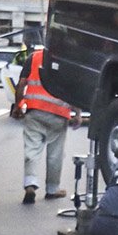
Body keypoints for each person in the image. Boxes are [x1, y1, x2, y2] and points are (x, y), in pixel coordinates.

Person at [11, 44, 82, 204]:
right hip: (59, 114)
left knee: (32, 149)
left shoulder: (34, 57)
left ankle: (30, 184)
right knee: (55, 154)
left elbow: (22, 84)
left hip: (35, 111)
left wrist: (17, 106)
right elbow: (73, 90)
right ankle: (52, 189)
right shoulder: (68, 61)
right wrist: (77, 114)